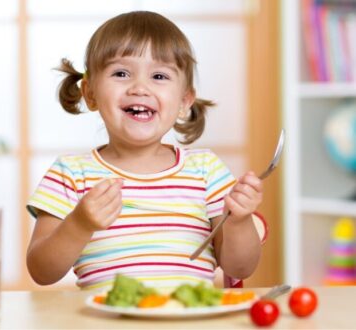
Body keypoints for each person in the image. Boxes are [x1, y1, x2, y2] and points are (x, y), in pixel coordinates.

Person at [26, 11, 263, 293]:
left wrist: (238, 221)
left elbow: (240, 268)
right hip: (109, 321)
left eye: (159, 76)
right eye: (121, 73)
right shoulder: (71, 173)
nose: (140, 88)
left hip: (189, 319)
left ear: (184, 100)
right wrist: (79, 224)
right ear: (90, 94)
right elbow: (41, 271)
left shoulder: (205, 170)